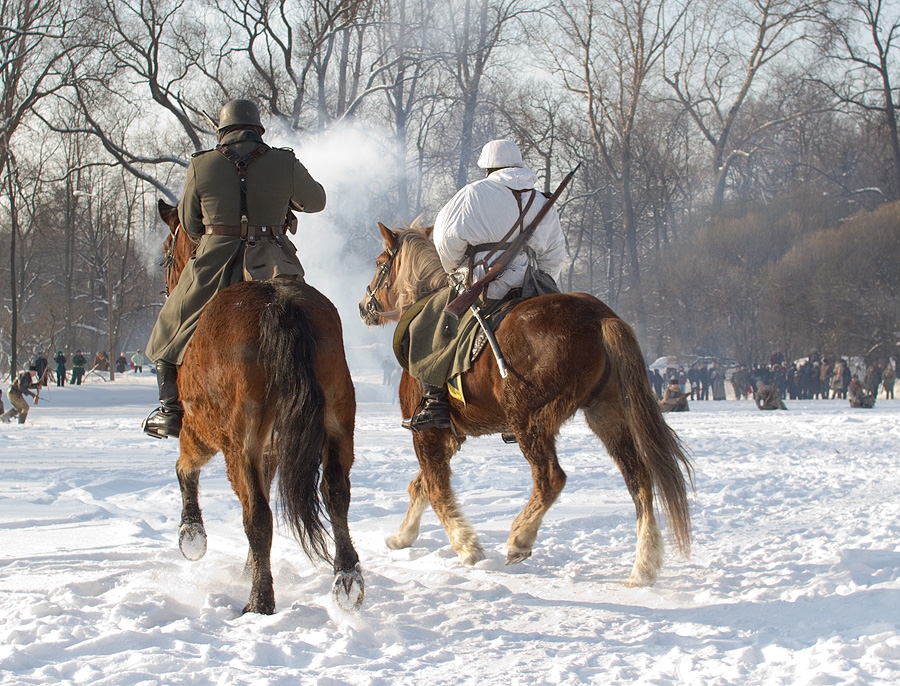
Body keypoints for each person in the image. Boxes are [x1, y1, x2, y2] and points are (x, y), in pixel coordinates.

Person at [143, 98, 326, 439]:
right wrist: (286, 200)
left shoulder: (202, 165)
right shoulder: (283, 161)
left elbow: (190, 226)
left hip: (215, 264)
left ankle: (169, 410)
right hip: (274, 263)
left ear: (222, 131)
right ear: (258, 130)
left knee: (170, 324)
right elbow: (316, 200)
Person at [402, 138, 566, 431]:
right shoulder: (542, 201)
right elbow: (554, 257)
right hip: (530, 290)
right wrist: (533, 274)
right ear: (517, 164)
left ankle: (435, 403)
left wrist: (456, 269)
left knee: (428, 324)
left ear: (487, 167)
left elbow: (445, 241)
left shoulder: (473, 194)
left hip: (484, 288)